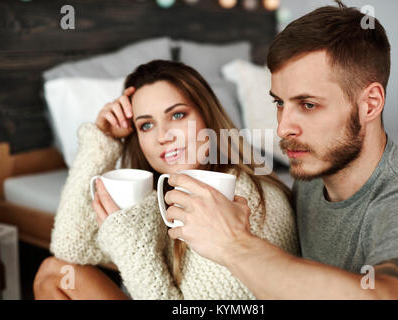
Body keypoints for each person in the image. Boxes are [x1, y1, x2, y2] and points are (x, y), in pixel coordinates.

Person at [163, 2, 398, 299]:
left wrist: (234, 244)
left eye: (308, 105)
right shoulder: (311, 176)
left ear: (370, 104)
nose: (284, 128)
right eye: (279, 103)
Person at [33, 60, 299, 299]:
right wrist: (101, 143)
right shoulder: (169, 192)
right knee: (57, 271)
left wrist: (132, 248)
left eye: (177, 115)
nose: (163, 136)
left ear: (208, 118)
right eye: (146, 125)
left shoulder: (242, 195)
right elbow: (70, 246)